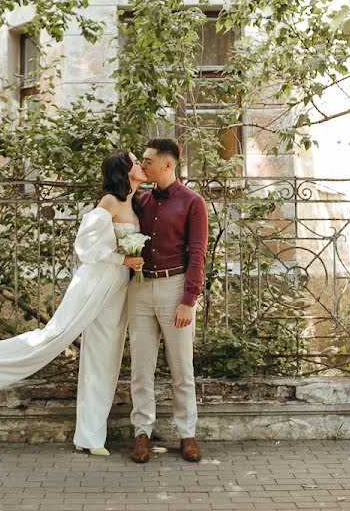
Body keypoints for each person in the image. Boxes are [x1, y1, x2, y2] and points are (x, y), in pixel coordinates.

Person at [0, 150, 147, 456]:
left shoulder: (134, 203)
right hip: (95, 280)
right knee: (52, 337)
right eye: (135, 161)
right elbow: (85, 246)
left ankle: (90, 437)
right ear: (124, 170)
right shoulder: (109, 201)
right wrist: (123, 258)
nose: (140, 165)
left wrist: (130, 262)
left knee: (105, 358)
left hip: (119, 287)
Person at [127, 138, 208, 463]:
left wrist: (188, 299)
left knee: (181, 368)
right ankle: (141, 434)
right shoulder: (140, 201)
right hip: (140, 289)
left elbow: (197, 253)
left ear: (167, 164)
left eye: (147, 161)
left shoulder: (193, 202)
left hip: (175, 288)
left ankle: (187, 435)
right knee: (141, 368)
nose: (142, 165)